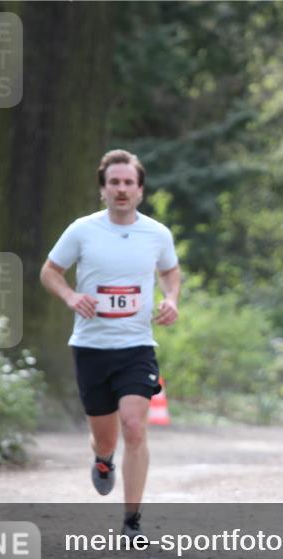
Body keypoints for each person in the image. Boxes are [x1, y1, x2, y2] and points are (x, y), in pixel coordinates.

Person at [40, 149, 181, 538]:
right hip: (91, 347)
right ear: (103, 190)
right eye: (114, 183)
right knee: (106, 437)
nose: (121, 189)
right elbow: (50, 272)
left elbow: (171, 273)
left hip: (137, 346)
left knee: (135, 428)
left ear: (140, 190)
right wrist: (71, 298)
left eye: (128, 183)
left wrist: (171, 300)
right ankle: (104, 460)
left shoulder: (156, 233)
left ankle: (131, 522)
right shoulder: (82, 230)